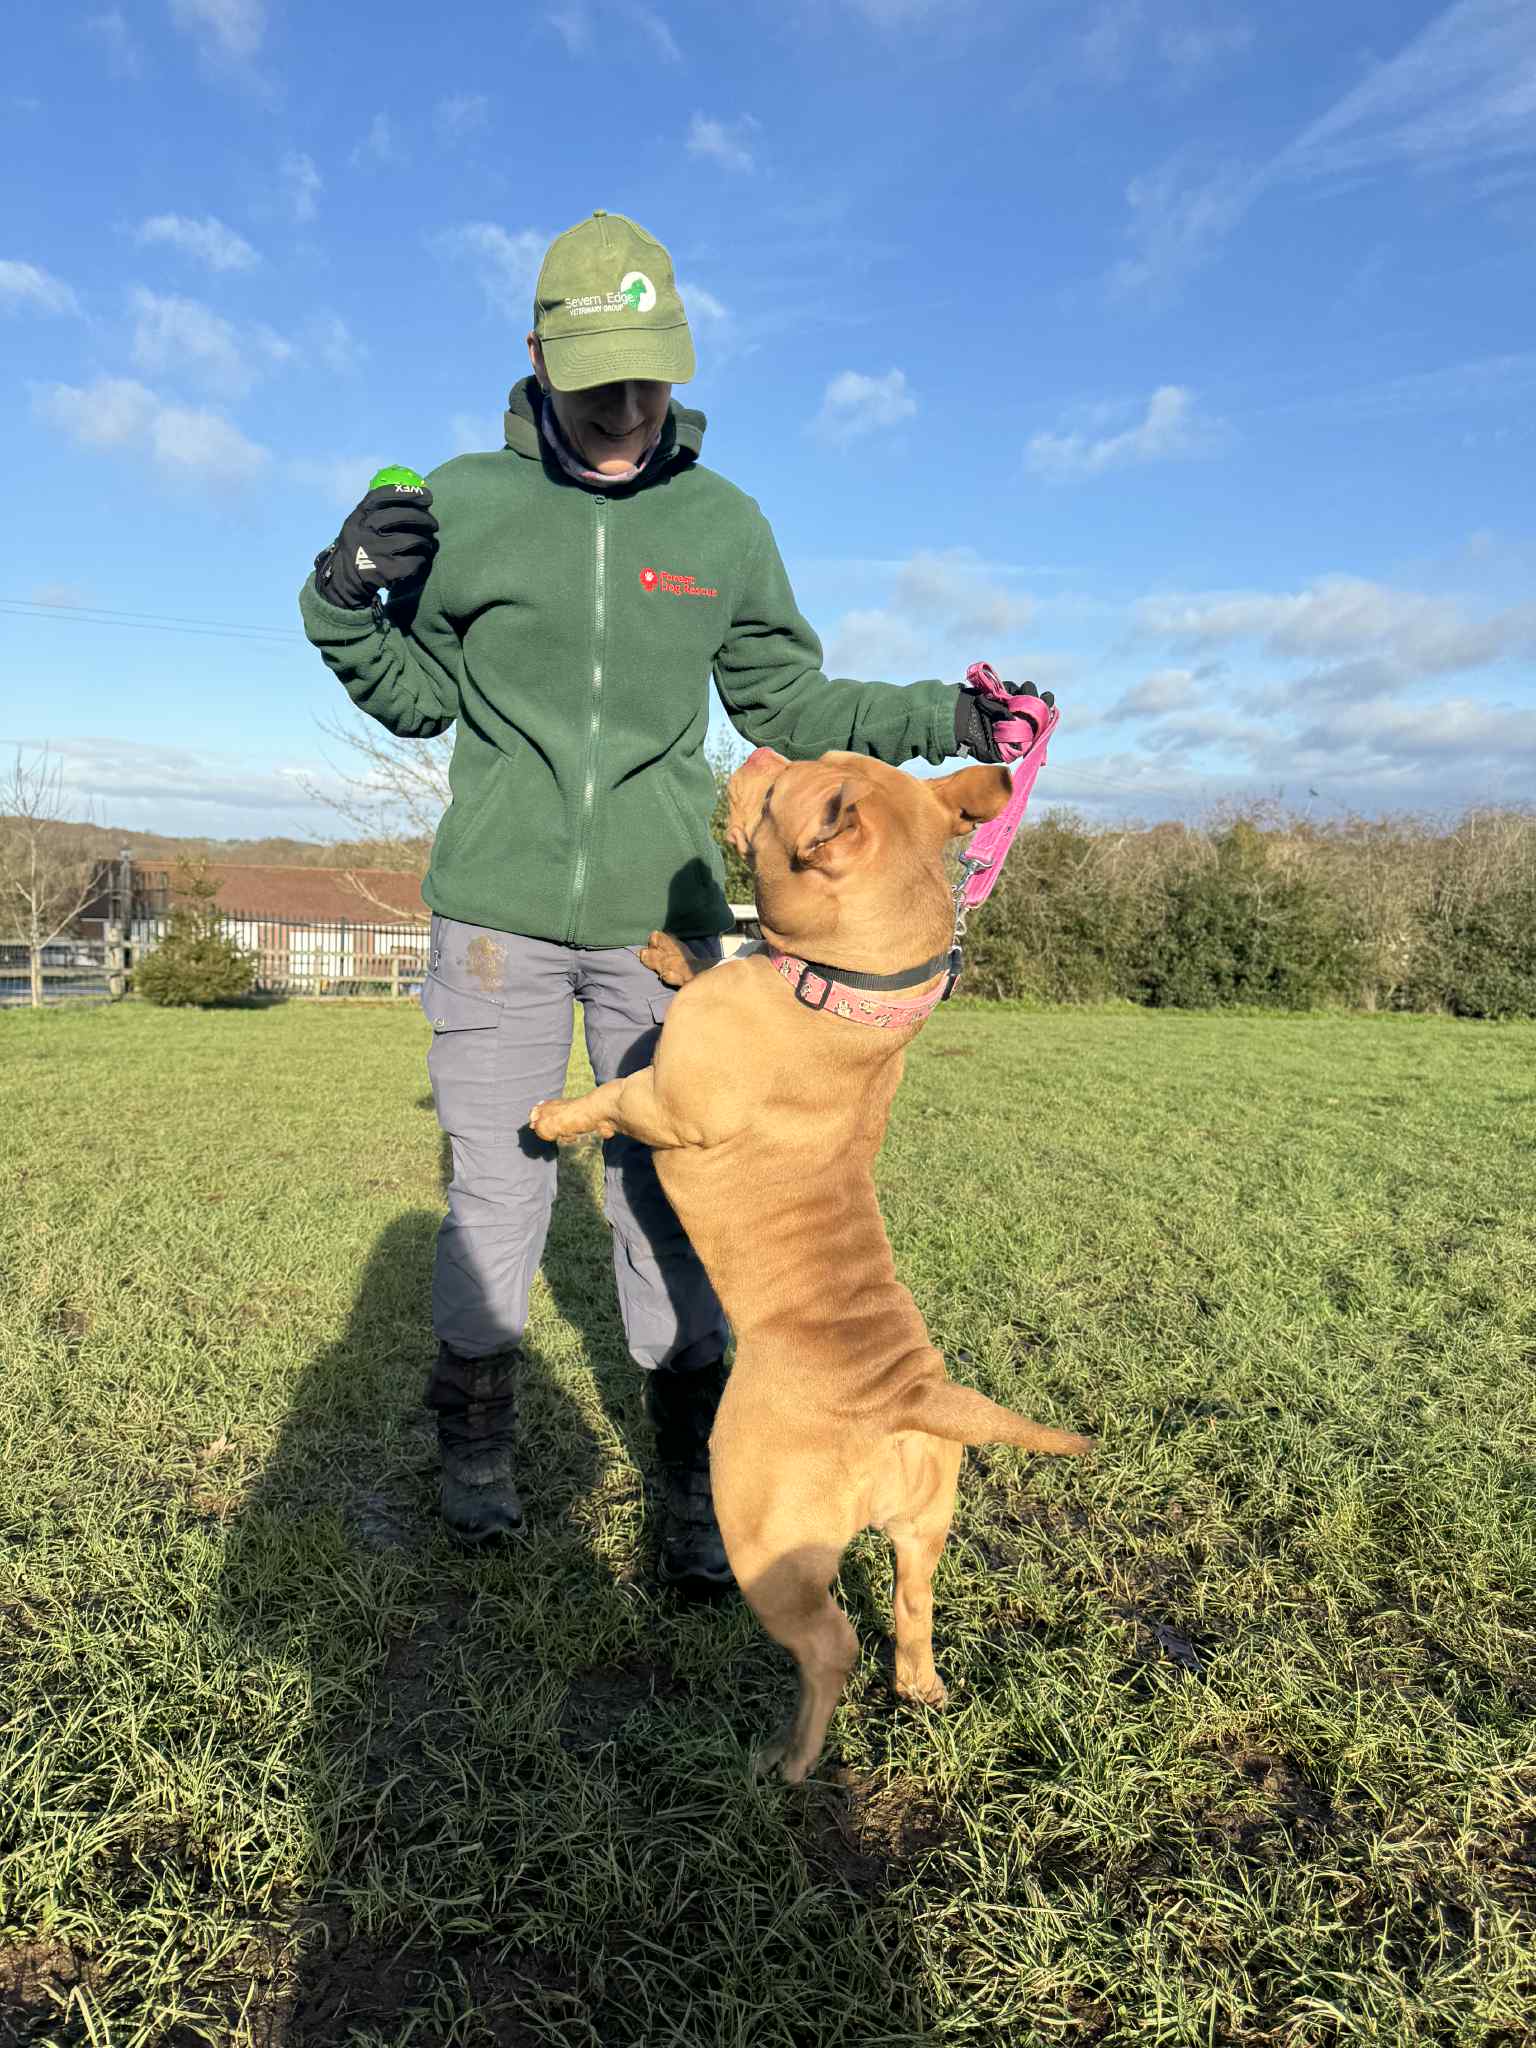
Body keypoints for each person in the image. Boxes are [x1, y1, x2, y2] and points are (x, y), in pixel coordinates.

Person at [299, 209, 1038, 1598]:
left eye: (650, 378)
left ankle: (698, 1488)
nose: (629, 409)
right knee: (495, 1189)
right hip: (499, 926)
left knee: (673, 1200)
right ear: (537, 359)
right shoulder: (466, 502)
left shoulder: (721, 523)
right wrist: (345, 599)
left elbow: (791, 702)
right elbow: (412, 692)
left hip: (669, 928)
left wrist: (948, 713)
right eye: (598, 382)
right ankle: (474, 1454)